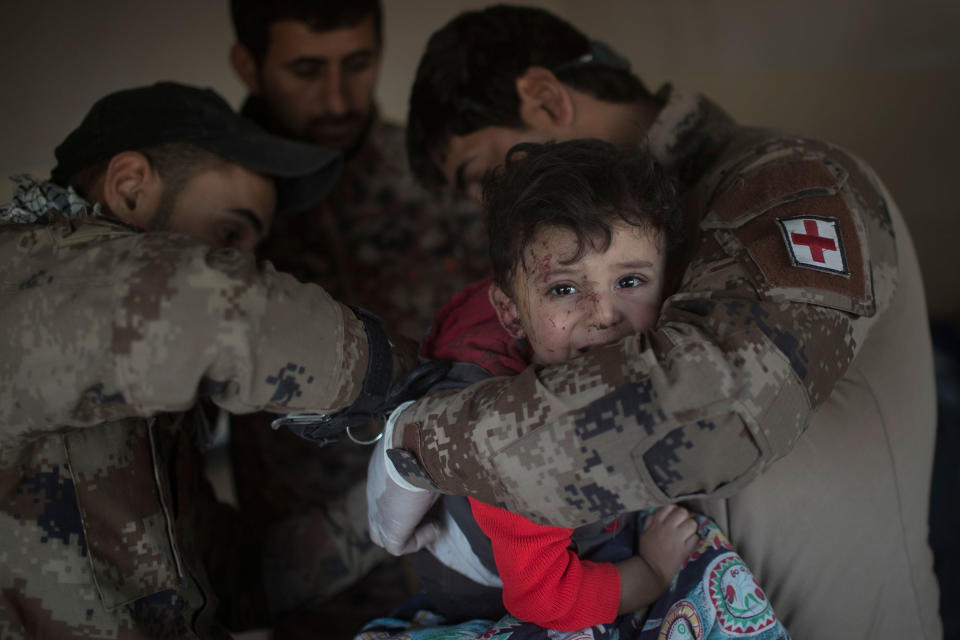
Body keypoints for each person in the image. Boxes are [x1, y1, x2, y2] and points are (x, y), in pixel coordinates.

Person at [360, 5, 942, 638]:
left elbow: (719, 411)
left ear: (546, 101)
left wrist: (431, 440)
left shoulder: (788, 185)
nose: (492, 205)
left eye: (485, 172)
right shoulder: (603, 257)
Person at [0, 81, 412, 639]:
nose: (246, 265)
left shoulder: (144, 394)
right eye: (227, 235)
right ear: (127, 190)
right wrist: (410, 377)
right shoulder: (23, 284)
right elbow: (214, 303)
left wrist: (401, 495)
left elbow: (232, 580)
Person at [370, 139, 786, 640]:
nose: (604, 314)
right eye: (563, 289)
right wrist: (649, 575)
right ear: (510, 313)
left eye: (629, 281)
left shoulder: (664, 349)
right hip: (492, 589)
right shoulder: (510, 441)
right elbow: (545, 600)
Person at [226, 2, 489, 629]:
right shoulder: (220, 199)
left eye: (359, 63)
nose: (338, 97)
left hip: (459, 553)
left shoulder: (434, 175)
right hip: (313, 576)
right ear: (249, 65)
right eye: (307, 70)